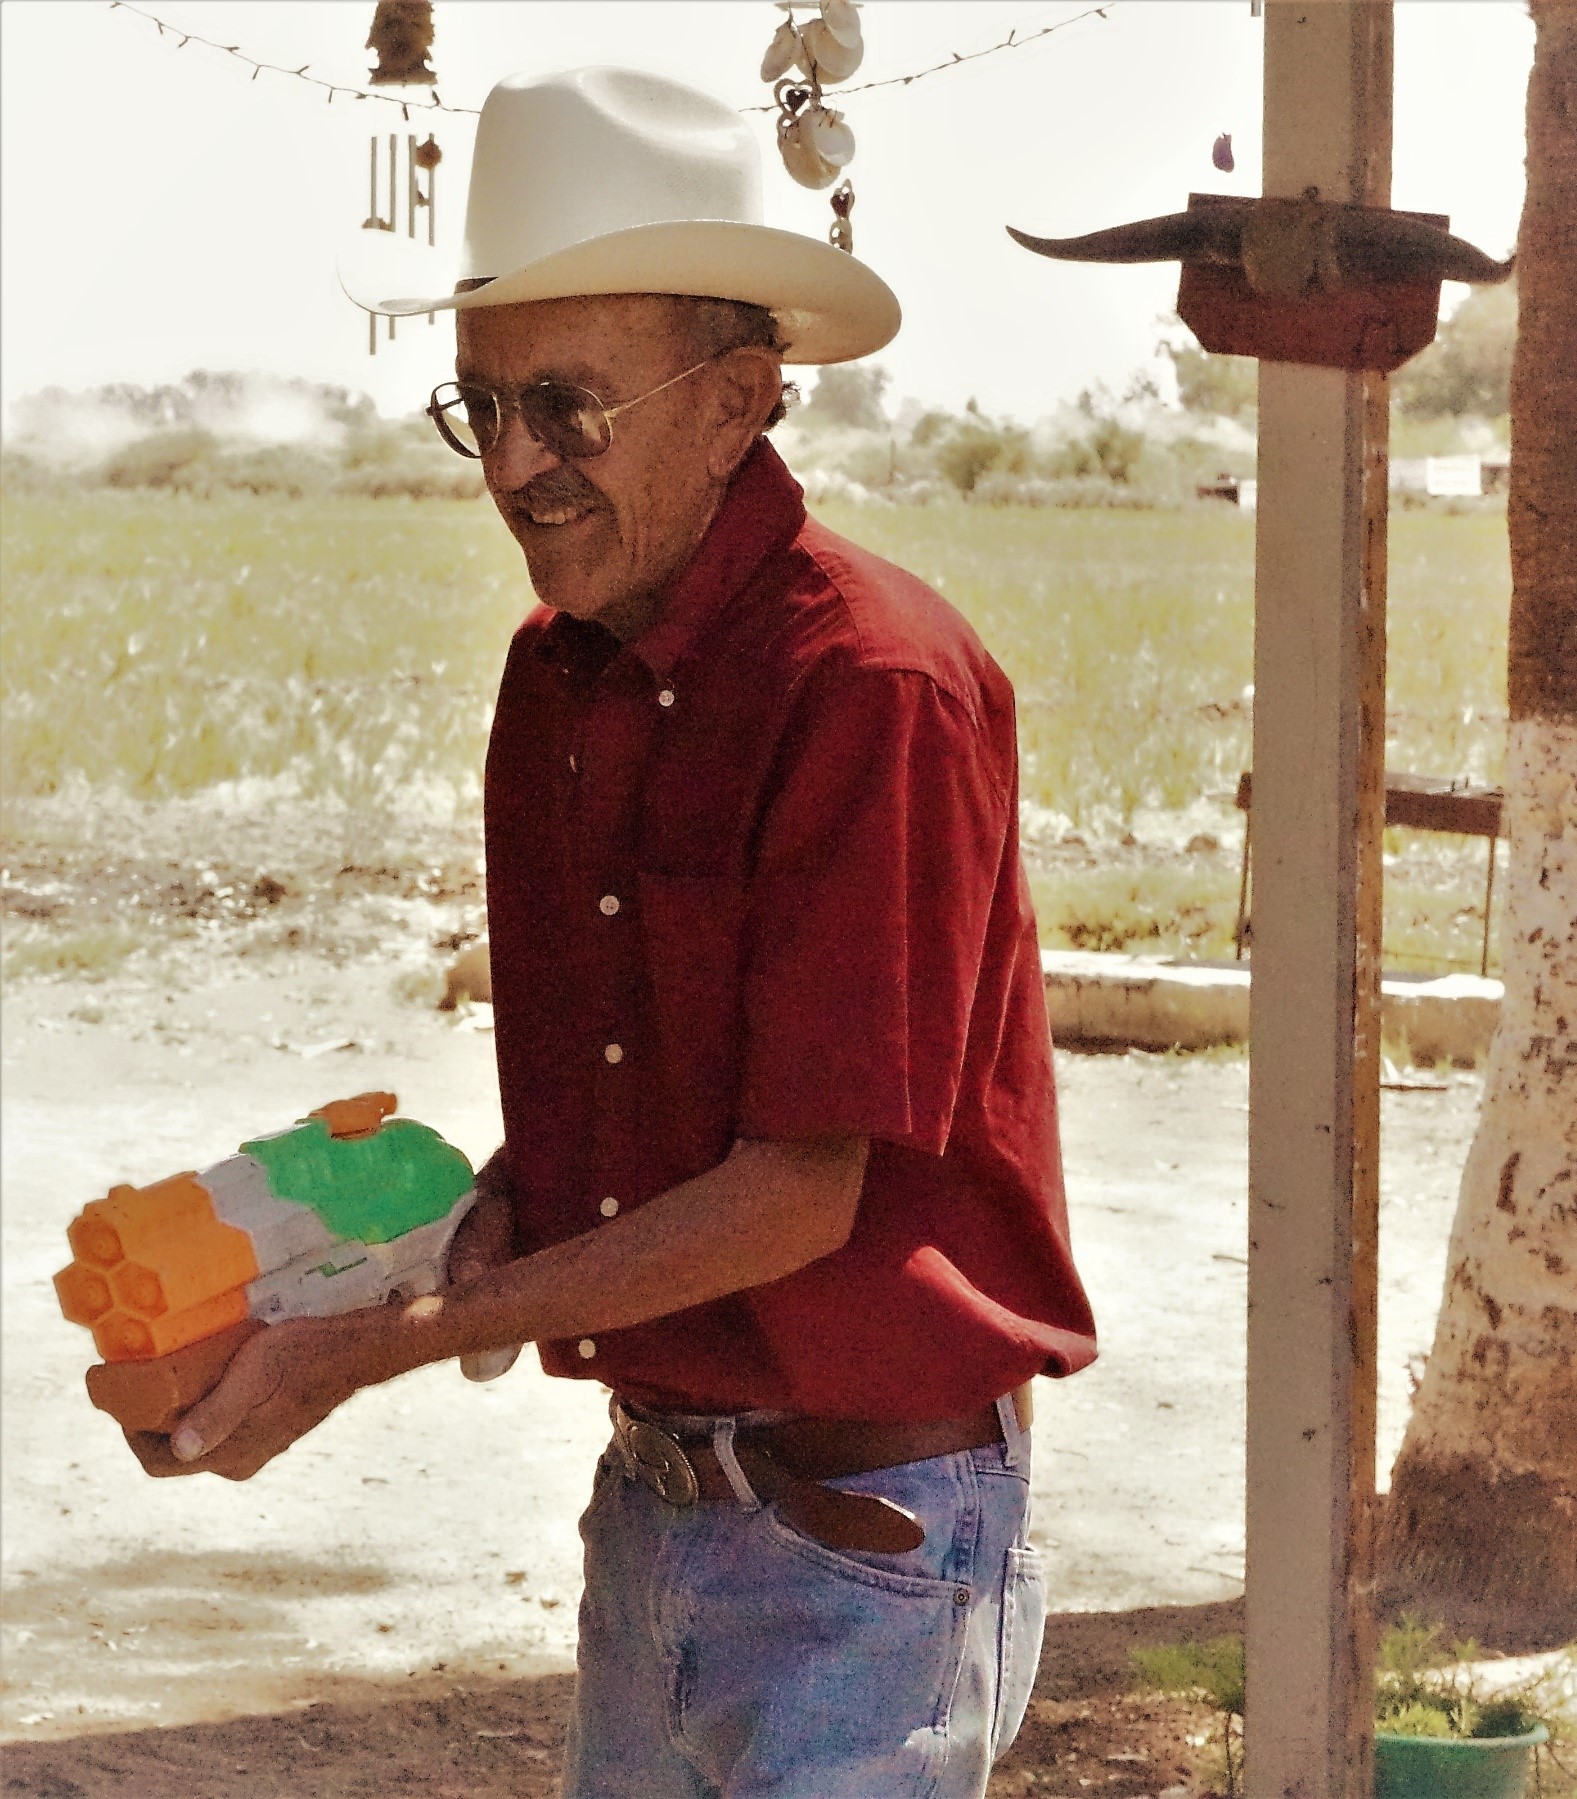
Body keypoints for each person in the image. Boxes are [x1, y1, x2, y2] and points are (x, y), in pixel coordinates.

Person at [143, 67, 1097, 1797]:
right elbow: (639, 1104)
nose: (513, 466)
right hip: (658, 1504)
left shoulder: (872, 685)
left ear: (740, 400)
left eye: (567, 408)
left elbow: (799, 1190)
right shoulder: (559, 675)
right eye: (482, 404)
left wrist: (380, 1345)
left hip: (864, 1550)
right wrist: (432, 1230)